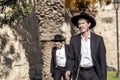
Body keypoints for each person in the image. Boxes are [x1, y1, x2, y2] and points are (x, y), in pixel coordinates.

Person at [65, 12, 107, 80]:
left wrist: (103, 78)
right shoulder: (74, 40)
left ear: (89, 24)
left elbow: (102, 61)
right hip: (80, 73)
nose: (80, 26)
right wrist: (68, 69)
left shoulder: (98, 40)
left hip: (94, 73)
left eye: (83, 23)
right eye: (79, 24)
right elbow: (71, 58)